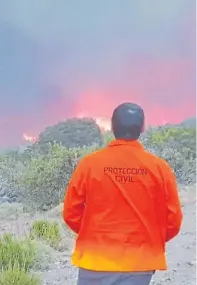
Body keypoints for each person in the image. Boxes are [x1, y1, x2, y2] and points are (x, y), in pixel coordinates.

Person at [62, 102, 183, 285]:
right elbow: (173, 220)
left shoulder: (89, 164)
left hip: (95, 260)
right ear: (142, 127)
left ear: (112, 126)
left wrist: (93, 233)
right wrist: (148, 238)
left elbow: (71, 212)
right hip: (140, 262)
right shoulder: (159, 168)